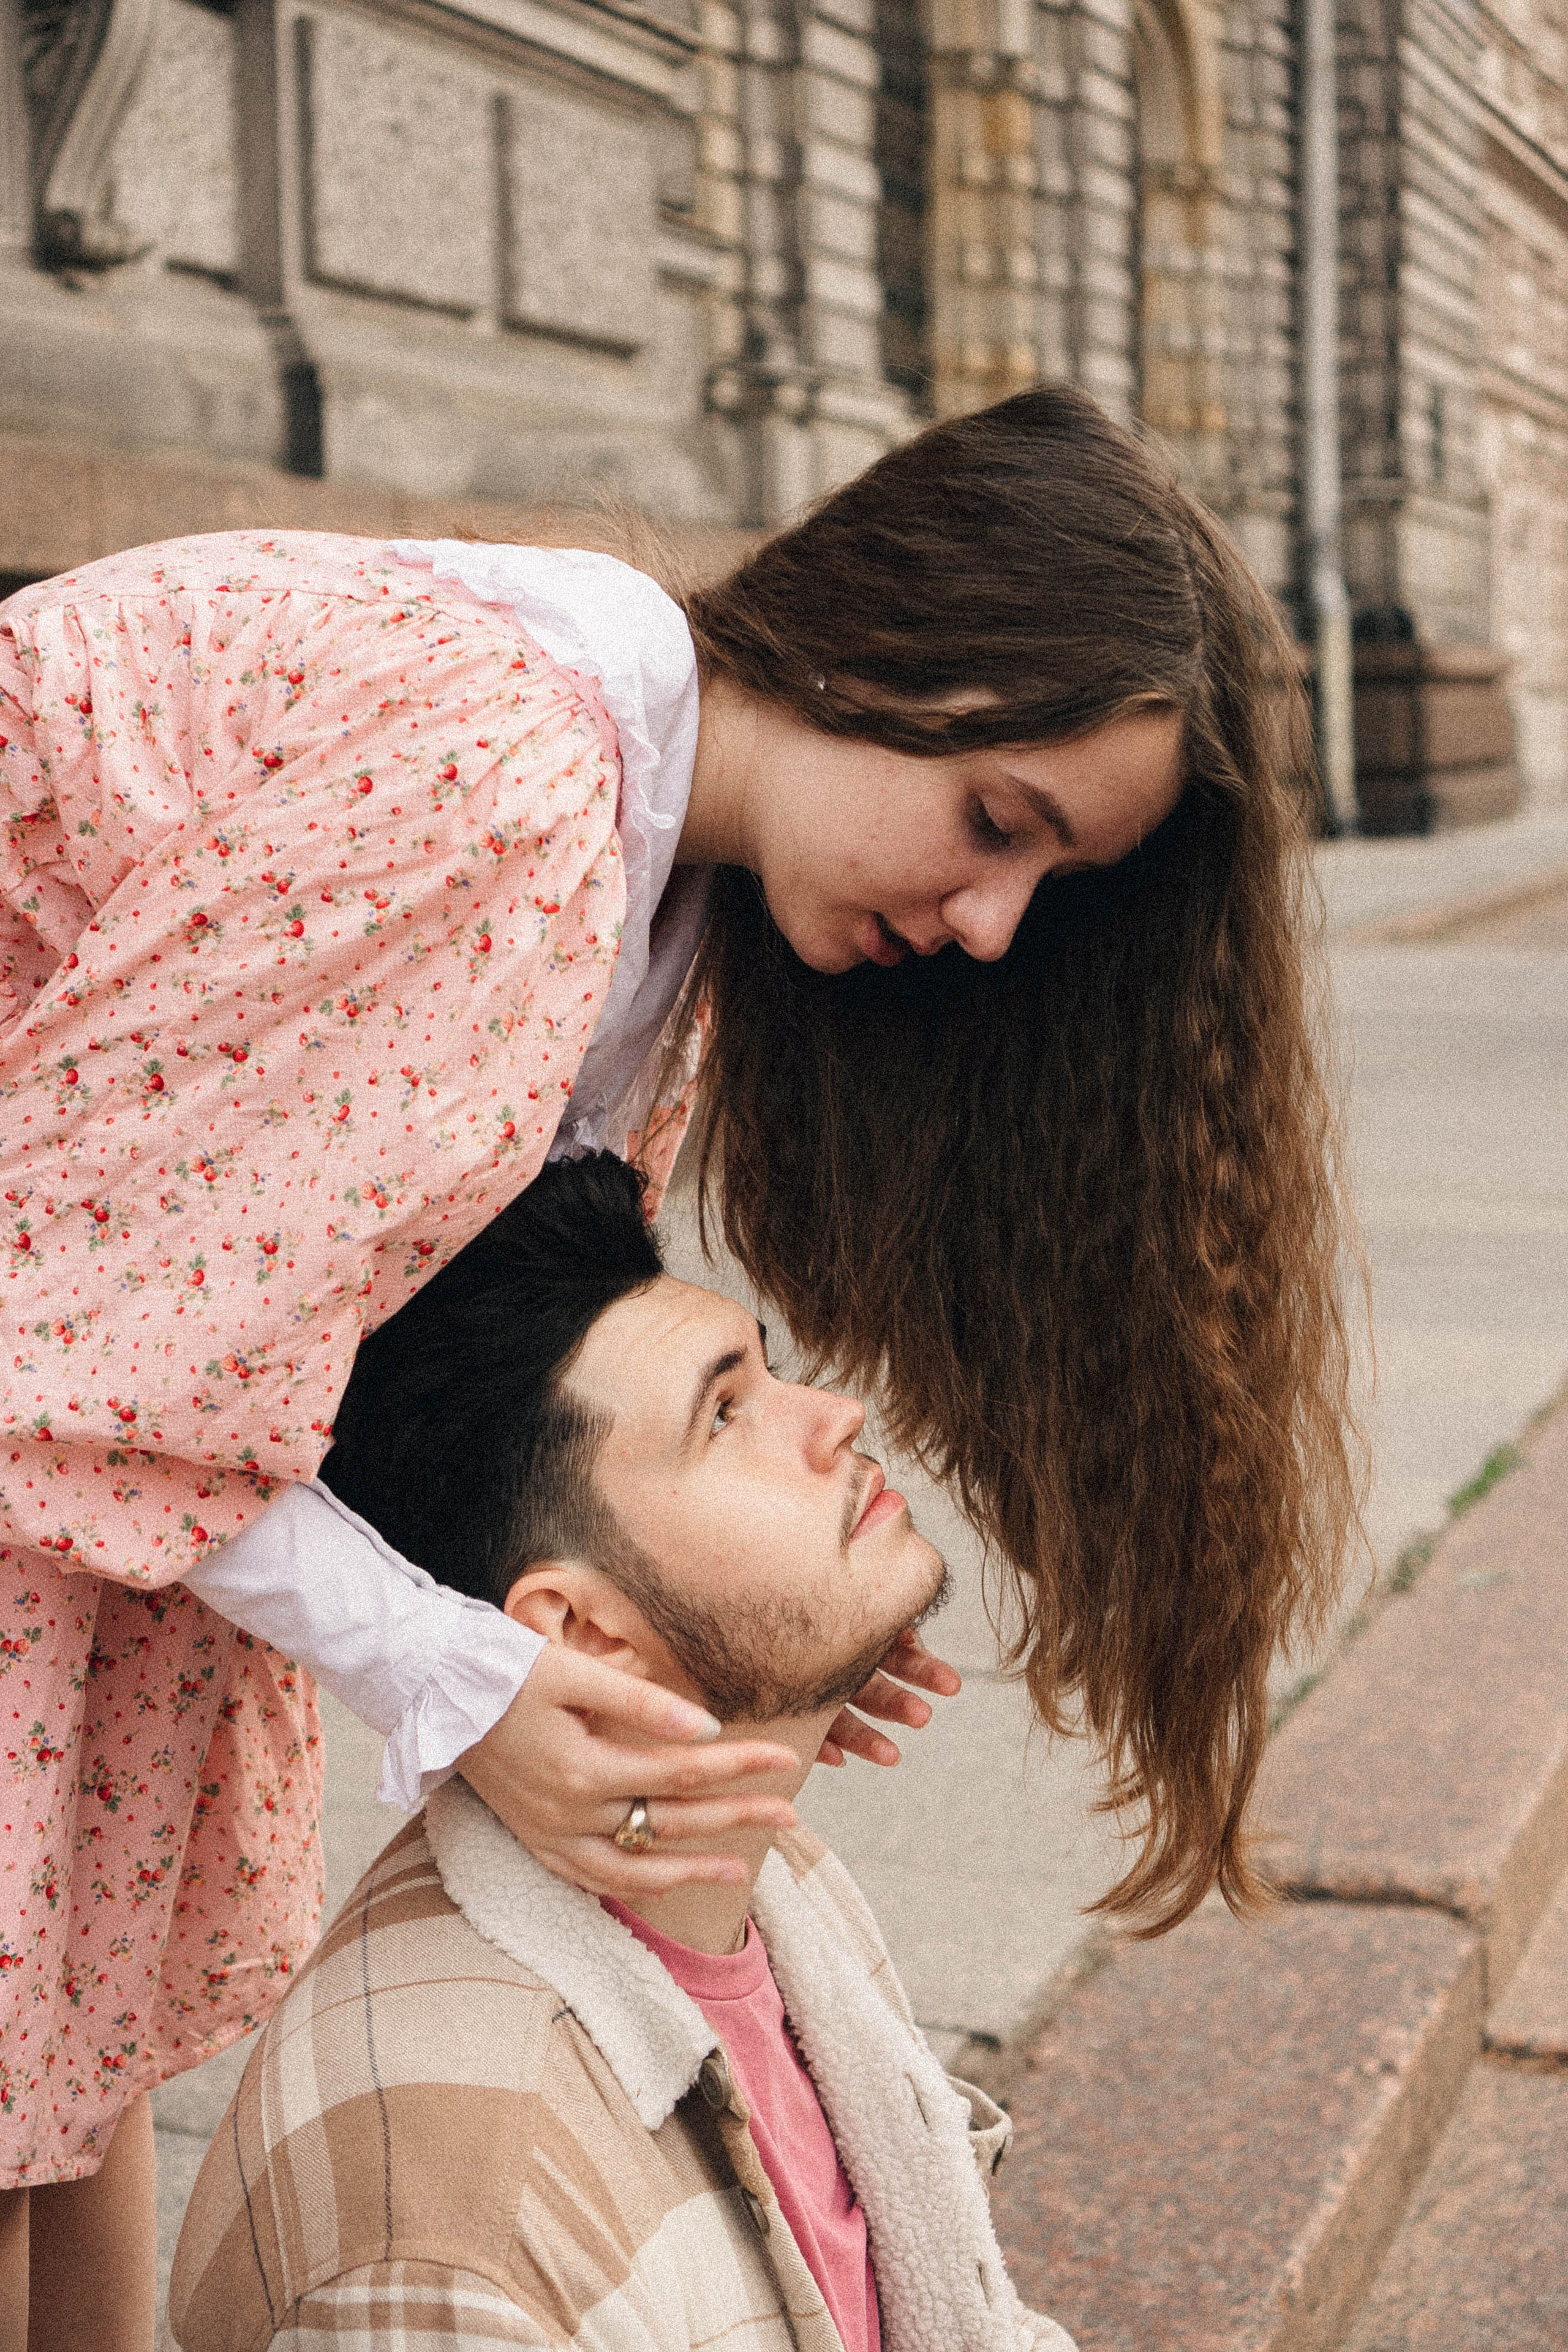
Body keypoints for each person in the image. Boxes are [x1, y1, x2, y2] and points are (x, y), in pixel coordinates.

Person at [0, 385, 1360, 2349]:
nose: (989, 928)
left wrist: (687, 1619)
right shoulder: (514, 779)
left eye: (1047, 888)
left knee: (63, 2043)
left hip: (70, 1471)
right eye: (997, 826)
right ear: (887, 644)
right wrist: (456, 1675)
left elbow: (303, 1305)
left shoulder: (658, 883)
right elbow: (76, 1325)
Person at [168, 1150, 1075, 2352]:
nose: (833, 1414)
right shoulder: (456, 2240)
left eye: (770, 1374)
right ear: (581, 1630)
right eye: (723, 1413)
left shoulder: (767, 1875)